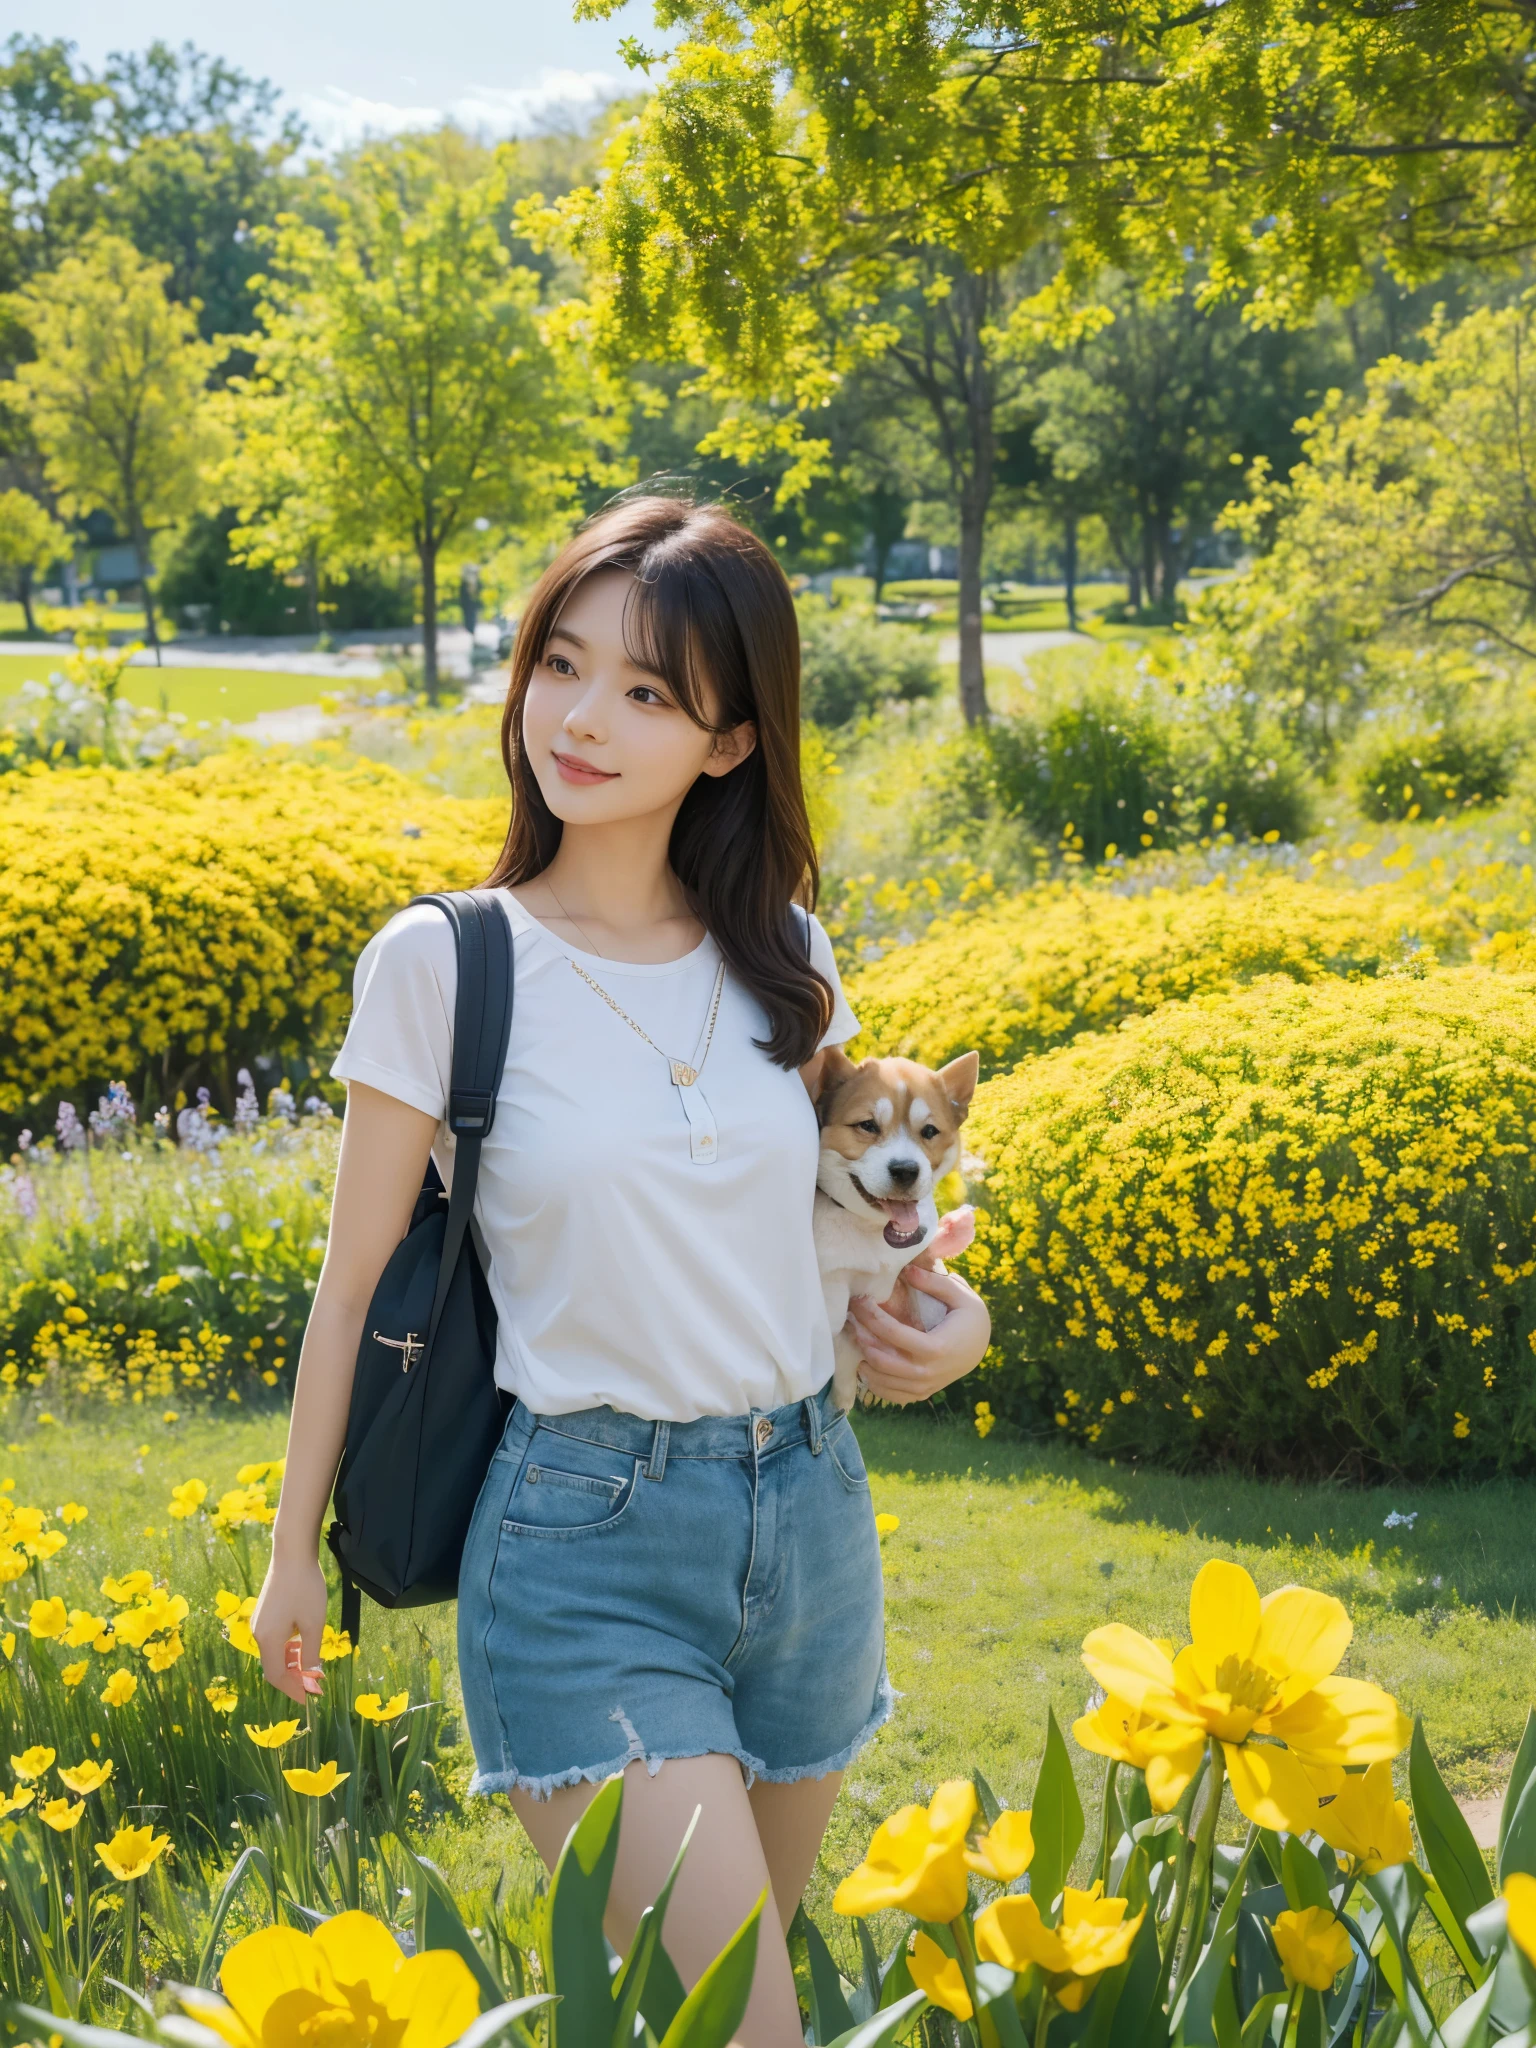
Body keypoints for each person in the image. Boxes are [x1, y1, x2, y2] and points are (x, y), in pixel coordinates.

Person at [252, 495, 992, 2047]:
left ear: (729, 741)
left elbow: (808, 1228)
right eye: (562, 665)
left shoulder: (783, 953)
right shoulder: (446, 964)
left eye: (649, 692)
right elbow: (350, 1282)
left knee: (721, 2009)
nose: (582, 720)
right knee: (752, 2028)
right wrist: (291, 1545)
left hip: (809, 1521)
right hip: (583, 1542)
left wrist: (945, 1313)